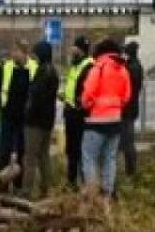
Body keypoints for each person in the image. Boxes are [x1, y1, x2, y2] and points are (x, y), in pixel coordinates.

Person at [80, 39, 131, 199]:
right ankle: (106, 196)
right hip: (115, 120)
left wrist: (86, 104)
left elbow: (88, 92)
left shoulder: (99, 68)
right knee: (110, 158)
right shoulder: (123, 69)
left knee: (89, 157)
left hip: (97, 121)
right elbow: (126, 96)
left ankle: (92, 193)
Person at [0, 42, 33, 188]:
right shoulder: (7, 67)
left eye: (16, 51)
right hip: (8, 113)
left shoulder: (33, 68)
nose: (13, 54)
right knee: (5, 149)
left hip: (24, 116)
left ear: (24, 53)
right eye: (13, 51)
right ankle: (0, 184)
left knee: (22, 151)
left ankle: (19, 184)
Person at [23, 42, 59, 199]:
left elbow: (35, 98)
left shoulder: (43, 72)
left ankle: (26, 191)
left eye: (36, 53)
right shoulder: (52, 71)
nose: (34, 56)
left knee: (30, 158)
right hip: (47, 121)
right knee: (44, 156)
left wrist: (27, 114)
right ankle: (46, 189)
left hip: (35, 122)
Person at [61, 37, 93, 190]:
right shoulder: (76, 65)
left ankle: (82, 183)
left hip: (79, 116)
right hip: (71, 113)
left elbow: (85, 92)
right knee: (71, 150)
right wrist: (65, 97)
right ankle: (72, 181)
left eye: (75, 48)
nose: (72, 50)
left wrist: (78, 104)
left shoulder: (88, 66)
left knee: (79, 151)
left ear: (81, 50)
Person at [120, 42, 145, 178]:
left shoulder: (131, 68)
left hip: (127, 110)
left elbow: (127, 89)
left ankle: (131, 171)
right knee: (127, 141)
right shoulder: (135, 66)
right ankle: (130, 170)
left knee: (127, 141)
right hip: (131, 108)